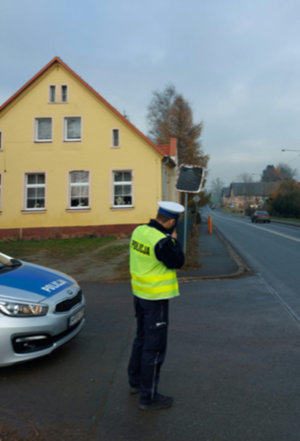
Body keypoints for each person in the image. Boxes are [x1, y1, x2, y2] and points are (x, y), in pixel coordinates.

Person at [128, 201, 185, 411]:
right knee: (155, 347)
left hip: (139, 294)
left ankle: (134, 382)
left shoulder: (139, 231)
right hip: (156, 299)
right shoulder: (163, 242)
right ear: (170, 221)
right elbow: (178, 261)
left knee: (141, 340)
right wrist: (175, 242)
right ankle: (149, 397)